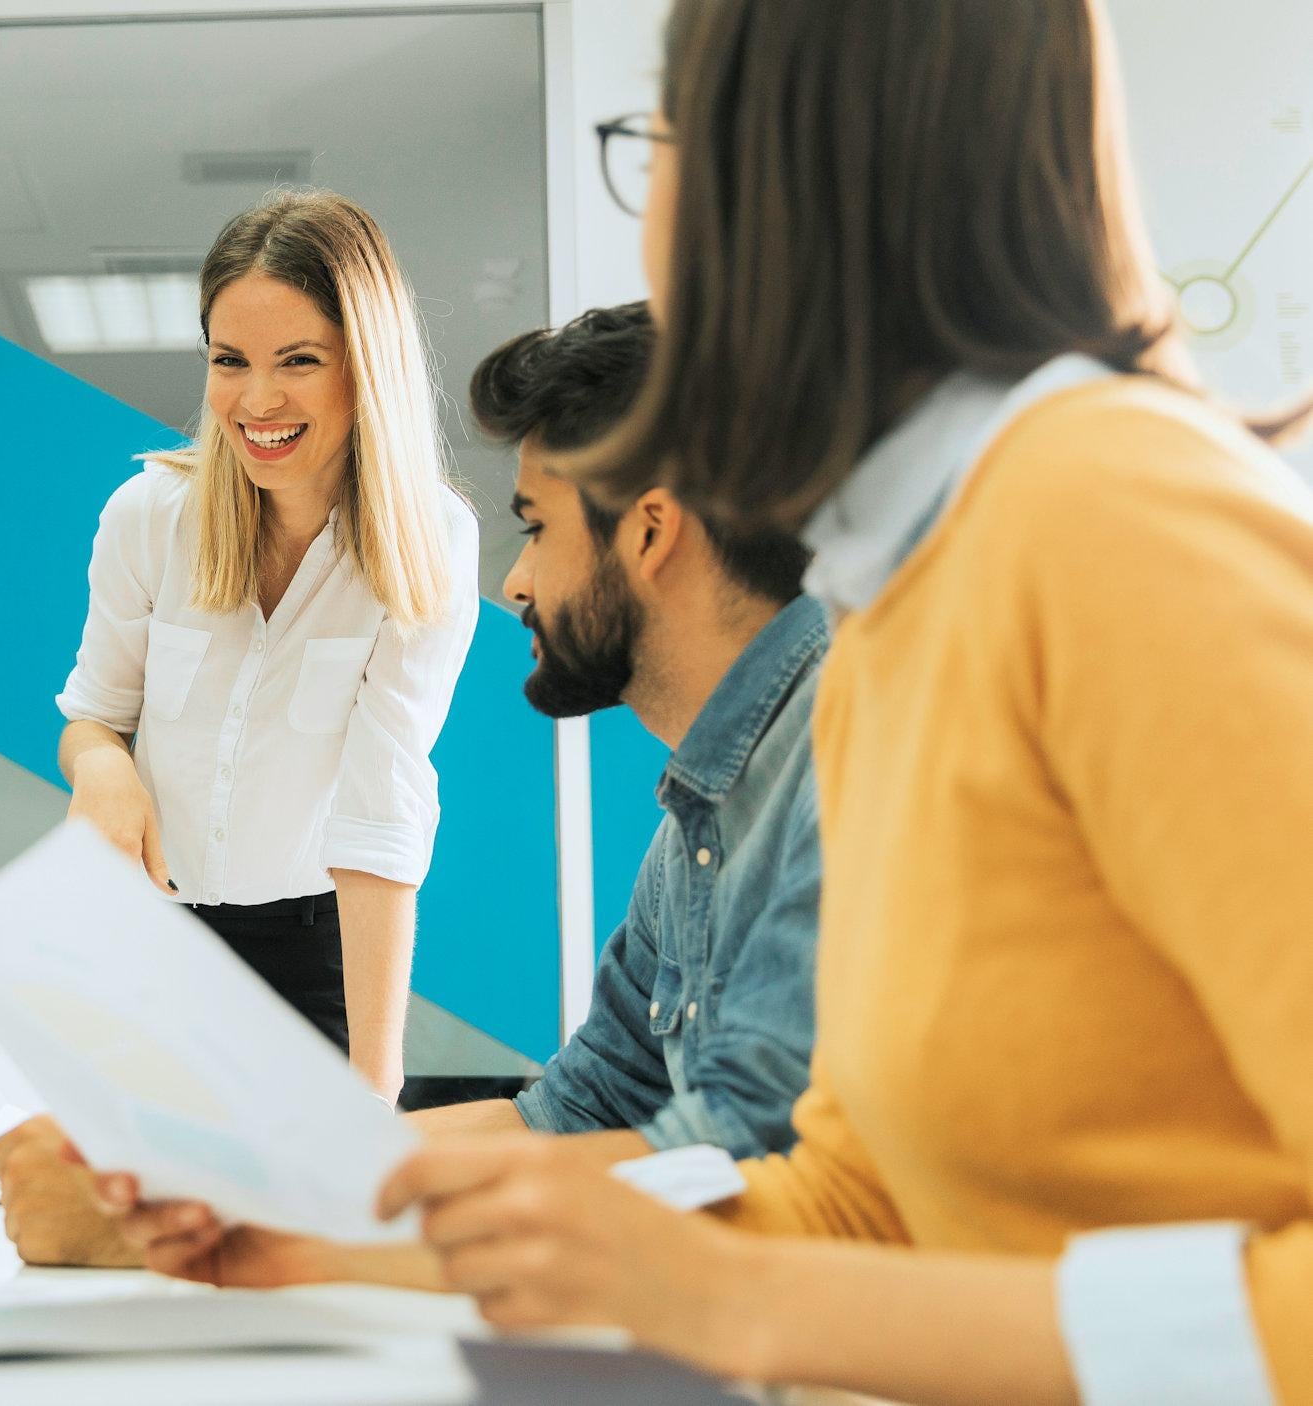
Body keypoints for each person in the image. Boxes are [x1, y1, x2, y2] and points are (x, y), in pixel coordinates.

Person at [366, 1, 1313, 1402]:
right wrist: (293, 1231)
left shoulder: (1108, 517)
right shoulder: (891, 609)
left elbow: (780, 1278)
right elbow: (854, 1200)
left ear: (772, 178)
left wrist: (724, 1292)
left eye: (660, 145)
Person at [0, 303, 826, 1272]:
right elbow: (576, 1113)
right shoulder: (703, 819)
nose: (515, 581)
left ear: (649, 533)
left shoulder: (847, 775)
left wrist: (214, 1224)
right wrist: (189, 1183)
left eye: (536, 527)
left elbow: (748, 1177)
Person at [57, 191, 480, 1101]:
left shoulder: (429, 542)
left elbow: (380, 812)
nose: (256, 401)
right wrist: (102, 769)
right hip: (148, 937)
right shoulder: (148, 516)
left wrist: (376, 1083)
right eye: (229, 361)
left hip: (313, 953)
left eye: (299, 360)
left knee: (324, 1182)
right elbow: (94, 717)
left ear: (365, 365)